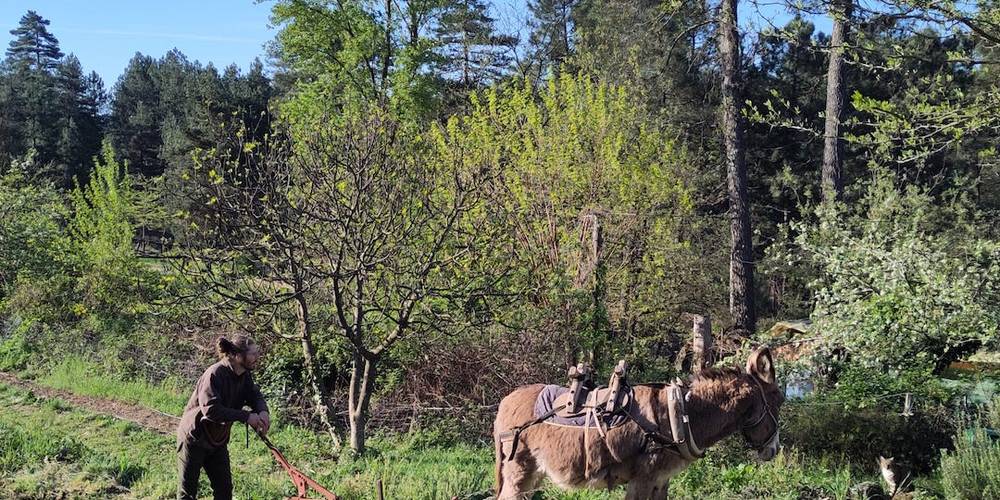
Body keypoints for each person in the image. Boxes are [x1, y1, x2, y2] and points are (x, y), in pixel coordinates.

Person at [176, 335, 270, 500]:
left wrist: (263, 412)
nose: (257, 357)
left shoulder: (244, 375)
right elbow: (211, 410)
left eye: (257, 353)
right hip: (194, 438)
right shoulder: (215, 374)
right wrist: (246, 416)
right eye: (253, 354)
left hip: (218, 441)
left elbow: (254, 395)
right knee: (187, 493)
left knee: (224, 490)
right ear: (236, 355)